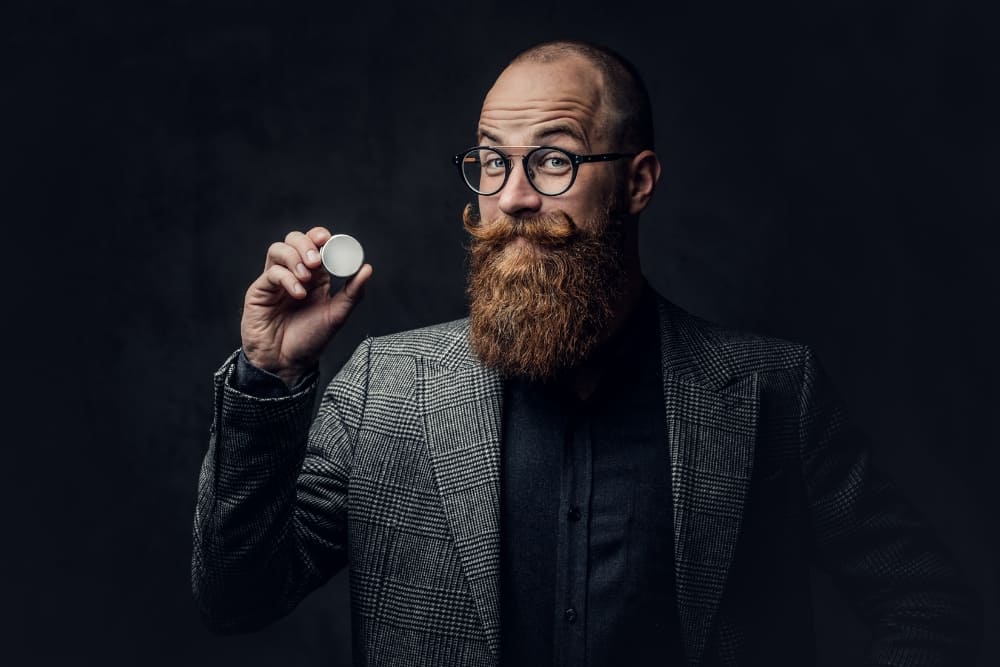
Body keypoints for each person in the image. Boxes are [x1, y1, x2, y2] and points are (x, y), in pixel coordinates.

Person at [192, 40, 982, 666]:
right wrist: (272, 372)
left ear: (637, 181)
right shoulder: (382, 390)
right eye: (493, 160)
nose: (511, 197)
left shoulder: (774, 390)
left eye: (553, 159)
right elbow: (238, 598)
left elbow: (927, 602)